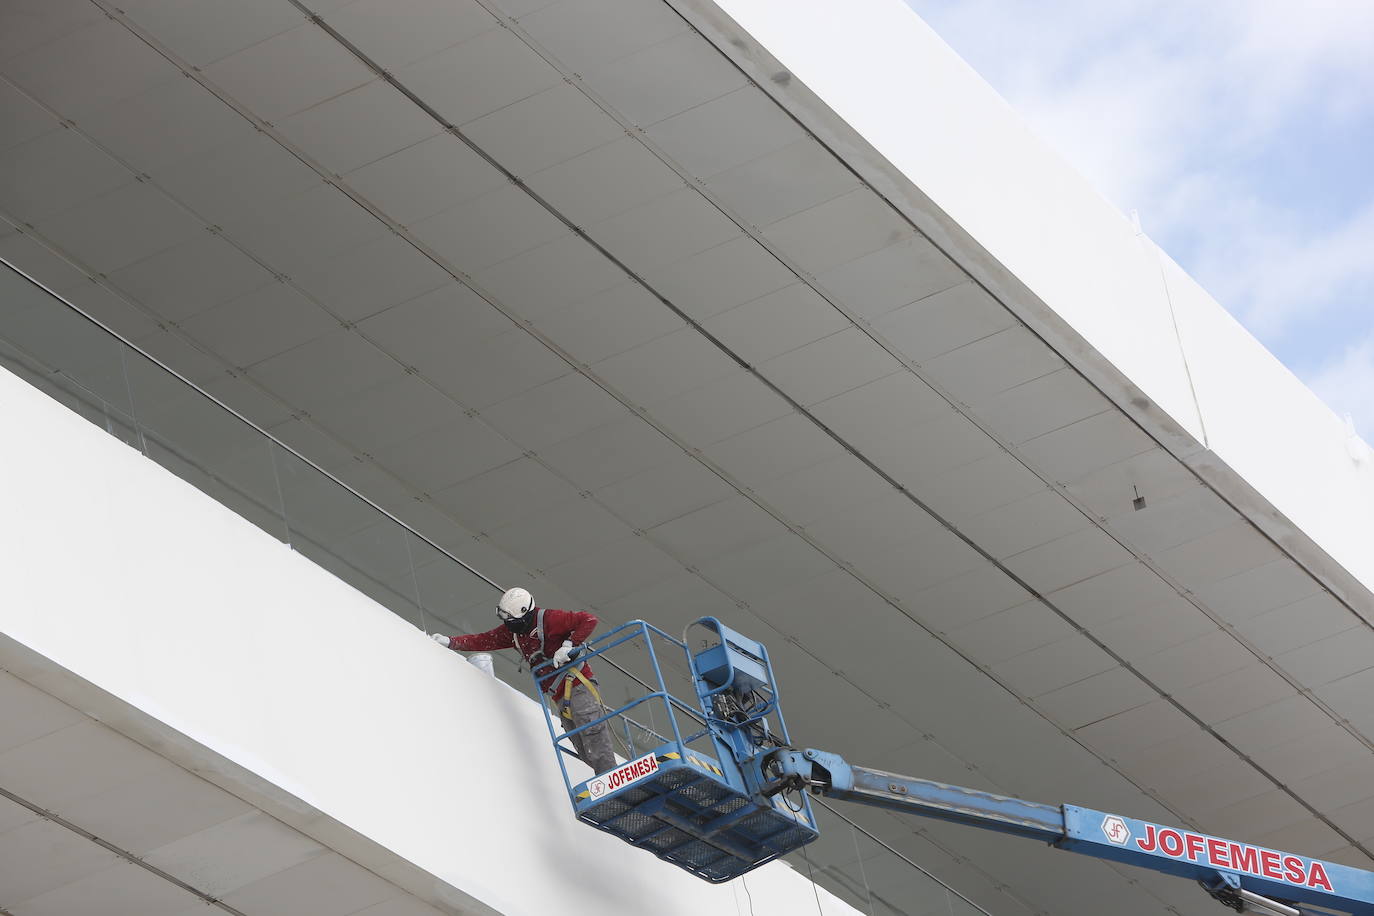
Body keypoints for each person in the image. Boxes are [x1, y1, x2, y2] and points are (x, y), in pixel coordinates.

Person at [431, 587, 616, 775]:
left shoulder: (549, 619)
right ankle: (605, 780)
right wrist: (450, 641)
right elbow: (484, 639)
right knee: (583, 747)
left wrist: (569, 644)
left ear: (524, 615)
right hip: (560, 697)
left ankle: (610, 781)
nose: (508, 625)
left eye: (511, 621)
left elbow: (588, 620)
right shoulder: (513, 633)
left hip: (577, 686)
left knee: (593, 735)